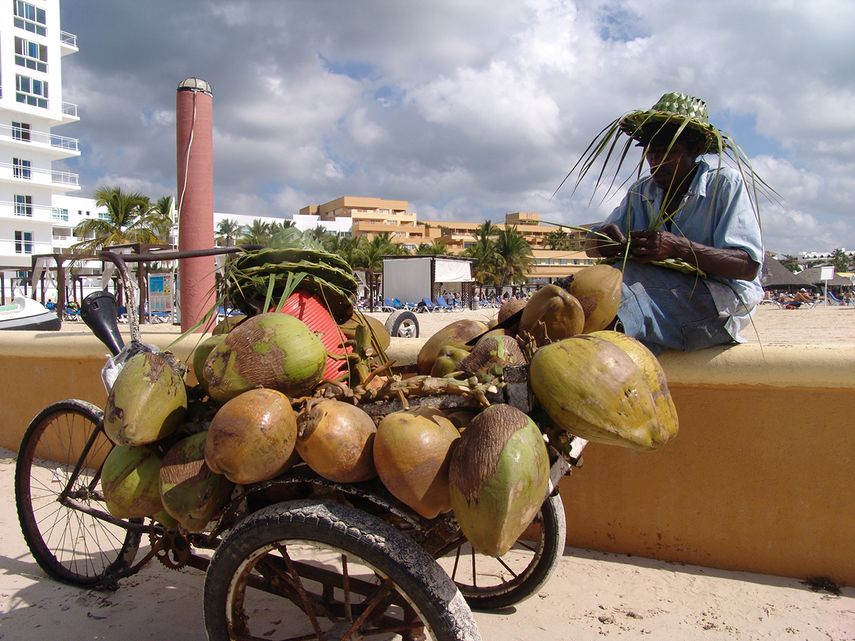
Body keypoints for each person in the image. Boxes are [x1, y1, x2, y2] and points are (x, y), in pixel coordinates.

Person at [583, 92, 765, 355]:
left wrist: (679, 248)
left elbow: (747, 266)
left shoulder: (724, 184)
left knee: (618, 300)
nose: (657, 162)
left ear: (697, 150)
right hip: (657, 294)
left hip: (717, 305)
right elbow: (593, 244)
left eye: (671, 152)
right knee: (585, 290)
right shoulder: (642, 191)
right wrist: (604, 242)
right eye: (652, 153)